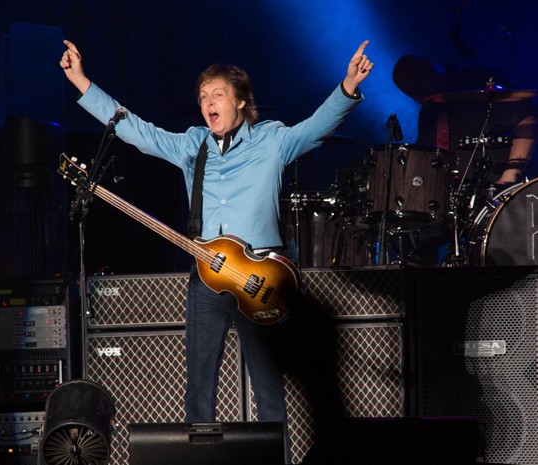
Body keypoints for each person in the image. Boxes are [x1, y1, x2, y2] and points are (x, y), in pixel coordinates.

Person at [60, 38, 373, 459]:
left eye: (218, 94)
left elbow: (315, 128)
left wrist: (348, 85)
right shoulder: (194, 144)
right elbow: (137, 131)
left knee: (267, 386)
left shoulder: (271, 140)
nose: (209, 102)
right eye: (204, 96)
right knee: (199, 387)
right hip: (206, 280)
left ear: (241, 101)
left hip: (260, 279)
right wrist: (81, 81)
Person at [392, 54, 537, 265]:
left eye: (413, 80)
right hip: (455, 198)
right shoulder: (430, 111)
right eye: (406, 88)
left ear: (428, 67)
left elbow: (527, 119)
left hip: (498, 187)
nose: (413, 90)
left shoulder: (477, 77)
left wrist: (509, 178)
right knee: (411, 235)